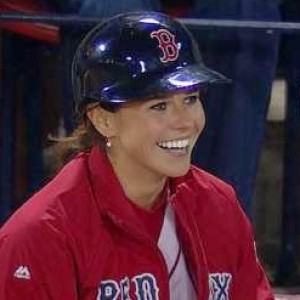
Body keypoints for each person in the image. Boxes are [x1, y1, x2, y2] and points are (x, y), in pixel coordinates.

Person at [0, 11, 274, 299]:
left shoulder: (219, 205)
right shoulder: (42, 236)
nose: (185, 121)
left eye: (190, 99)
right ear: (103, 120)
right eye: (159, 106)